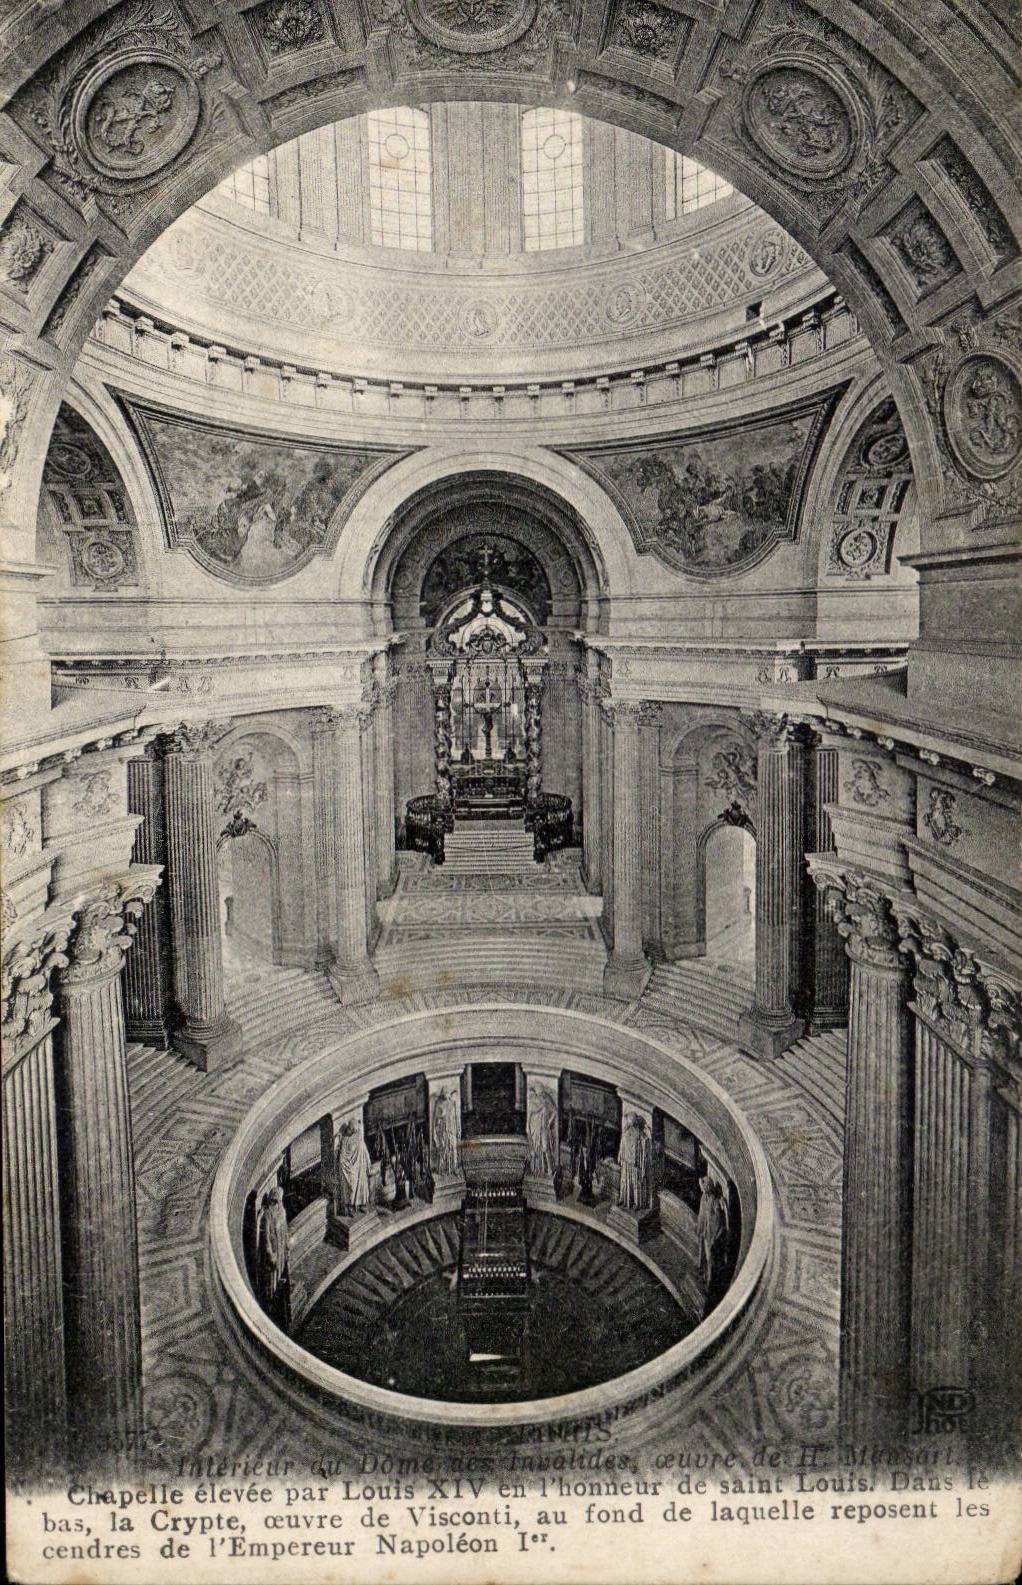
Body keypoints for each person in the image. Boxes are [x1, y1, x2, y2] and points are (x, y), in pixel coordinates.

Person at [257, 1185, 290, 1332]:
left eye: (279, 1201)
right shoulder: (267, 1215)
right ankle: (269, 1306)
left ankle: (275, 1303)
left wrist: (287, 1248)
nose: (277, 1204)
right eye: (275, 1201)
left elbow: (285, 1232)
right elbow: (265, 1240)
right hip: (274, 1254)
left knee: (279, 1278)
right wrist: (271, 1255)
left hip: (281, 1250)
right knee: (271, 1280)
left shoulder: (282, 1212)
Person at [697, 1173, 730, 1301]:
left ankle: (710, 1282)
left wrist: (716, 1236)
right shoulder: (704, 1199)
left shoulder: (716, 1203)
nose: (702, 1190)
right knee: (707, 1257)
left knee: (711, 1258)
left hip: (713, 1235)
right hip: (706, 1233)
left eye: (703, 1187)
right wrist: (701, 1229)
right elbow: (702, 1216)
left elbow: (719, 1222)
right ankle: (707, 1277)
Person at [335, 1119, 371, 1216]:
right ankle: (350, 1207)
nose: (353, 1132)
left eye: (354, 1130)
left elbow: (364, 1150)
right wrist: (346, 1167)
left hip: (360, 1166)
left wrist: (368, 1163)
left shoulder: (359, 1136)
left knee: (362, 1186)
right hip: (350, 1168)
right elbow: (342, 1157)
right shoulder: (345, 1139)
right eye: (351, 1130)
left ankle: (361, 1205)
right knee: (352, 1186)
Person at [617, 1113, 652, 1213]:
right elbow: (622, 1145)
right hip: (627, 1162)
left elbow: (645, 1146)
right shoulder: (626, 1132)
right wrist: (620, 1156)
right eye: (629, 1122)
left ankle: (637, 1203)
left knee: (636, 1183)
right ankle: (624, 1199)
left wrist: (648, 1133)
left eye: (632, 1122)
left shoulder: (640, 1135)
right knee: (625, 1181)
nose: (630, 1124)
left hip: (635, 1164)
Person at [527, 1085, 557, 1178]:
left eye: (532, 1095)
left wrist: (549, 1122)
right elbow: (528, 1120)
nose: (531, 1097)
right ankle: (539, 1169)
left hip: (544, 1129)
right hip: (535, 1130)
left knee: (545, 1148)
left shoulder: (544, 1102)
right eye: (530, 1096)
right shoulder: (531, 1106)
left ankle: (550, 1169)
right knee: (537, 1149)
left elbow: (555, 1111)